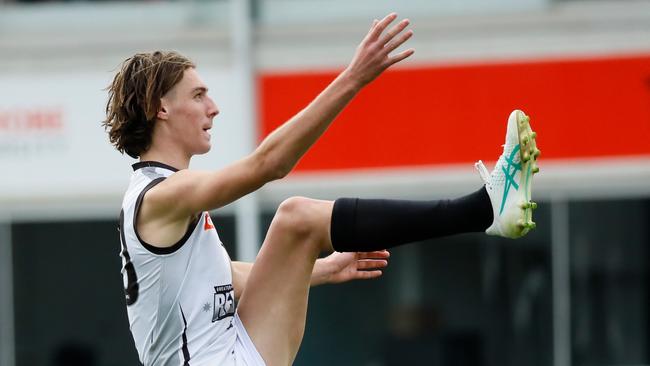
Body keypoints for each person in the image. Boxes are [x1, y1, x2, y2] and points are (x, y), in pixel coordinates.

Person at [103, 13, 540, 366]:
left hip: (229, 350)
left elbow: (222, 278)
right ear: (160, 108)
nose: (213, 107)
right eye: (198, 95)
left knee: (298, 223)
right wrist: (352, 78)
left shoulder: (158, 195)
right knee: (296, 217)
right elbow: (269, 164)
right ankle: (483, 210)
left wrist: (322, 270)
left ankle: (483, 210)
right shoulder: (161, 196)